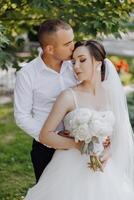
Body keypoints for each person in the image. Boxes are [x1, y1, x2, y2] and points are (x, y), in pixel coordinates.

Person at [24, 40, 134, 200]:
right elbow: (45, 135)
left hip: (104, 168)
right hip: (69, 168)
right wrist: (78, 144)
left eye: (82, 60)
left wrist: (107, 153)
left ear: (98, 62)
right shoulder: (68, 96)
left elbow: (119, 133)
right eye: (74, 61)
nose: (76, 66)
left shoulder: (111, 94)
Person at [14, 20, 109, 183]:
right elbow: (22, 116)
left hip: (85, 141)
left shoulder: (76, 64)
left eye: (73, 40)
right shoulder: (27, 74)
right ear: (50, 49)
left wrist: (97, 131)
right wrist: (52, 137)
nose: (73, 46)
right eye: (67, 44)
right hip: (46, 148)